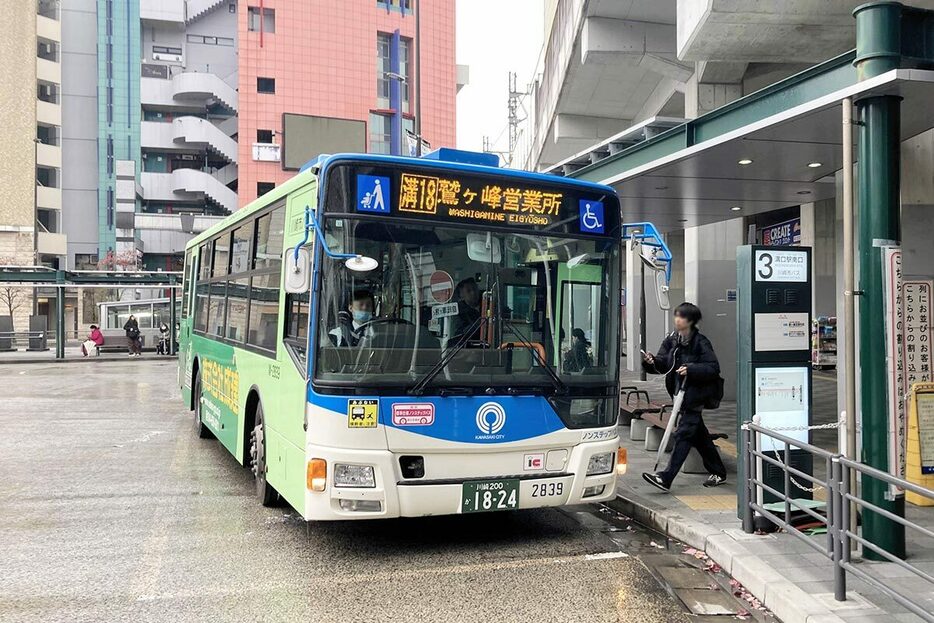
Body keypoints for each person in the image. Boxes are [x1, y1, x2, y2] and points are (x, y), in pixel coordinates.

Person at [641, 302, 727, 492]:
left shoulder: (700, 342)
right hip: (679, 396)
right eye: (677, 316)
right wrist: (651, 362)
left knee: (684, 433)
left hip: (695, 397)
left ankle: (666, 477)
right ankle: (719, 472)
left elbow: (713, 368)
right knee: (699, 436)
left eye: (682, 317)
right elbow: (663, 364)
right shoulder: (672, 340)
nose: (678, 320)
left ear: (691, 321)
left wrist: (691, 369)